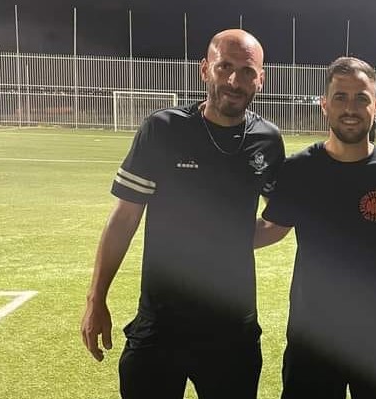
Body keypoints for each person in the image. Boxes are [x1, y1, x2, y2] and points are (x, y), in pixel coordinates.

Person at [80, 29, 285, 399]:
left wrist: (227, 241)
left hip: (232, 330)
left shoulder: (267, 140)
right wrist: (96, 298)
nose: (234, 81)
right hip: (161, 324)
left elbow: (277, 221)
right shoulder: (164, 129)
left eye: (246, 71)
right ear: (205, 69)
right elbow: (125, 218)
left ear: (261, 79)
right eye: (224, 67)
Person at [254, 57, 376, 399]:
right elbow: (273, 226)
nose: (351, 108)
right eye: (340, 97)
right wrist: (210, 234)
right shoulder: (299, 171)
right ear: (324, 105)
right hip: (312, 341)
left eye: (361, 98)